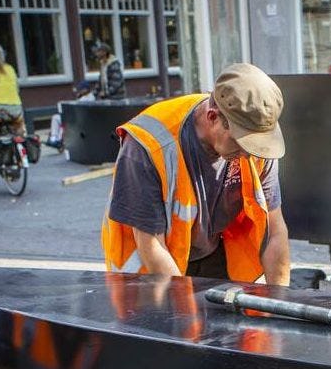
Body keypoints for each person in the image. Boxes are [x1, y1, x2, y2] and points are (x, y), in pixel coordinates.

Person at [101, 63, 291, 285]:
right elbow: (151, 246)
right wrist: (185, 315)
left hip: (211, 253)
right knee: (176, 317)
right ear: (212, 117)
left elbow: (275, 231)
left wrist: (279, 304)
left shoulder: (256, 136)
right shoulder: (148, 146)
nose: (249, 155)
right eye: (241, 143)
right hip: (150, 271)